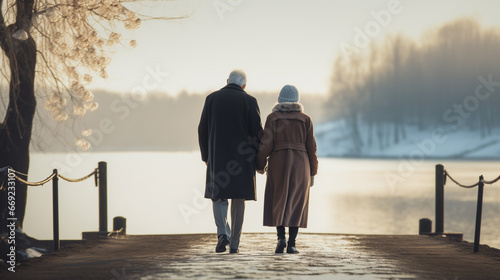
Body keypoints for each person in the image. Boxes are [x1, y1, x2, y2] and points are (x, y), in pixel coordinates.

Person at [198, 70, 263, 254]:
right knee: (238, 199)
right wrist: (258, 160)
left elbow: (202, 129)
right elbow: (258, 133)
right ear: (244, 85)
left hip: (217, 156)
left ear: (227, 81)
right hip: (242, 160)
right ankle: (234, 243)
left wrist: (206, 156)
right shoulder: (250, 101)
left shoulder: (211, 99)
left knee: (218, 196)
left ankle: (222, 234)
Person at [256, 84, 318, 254]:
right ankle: (292, 244)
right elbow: (312, 148)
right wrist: (313, 171)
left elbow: (265, 144)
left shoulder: (273, 118)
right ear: (296, 100)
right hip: (301, 164)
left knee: (279, 199)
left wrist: (260, 165)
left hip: (278, 162)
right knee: (297, 202)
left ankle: (280, 238)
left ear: (280, 99)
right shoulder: (305, 119)